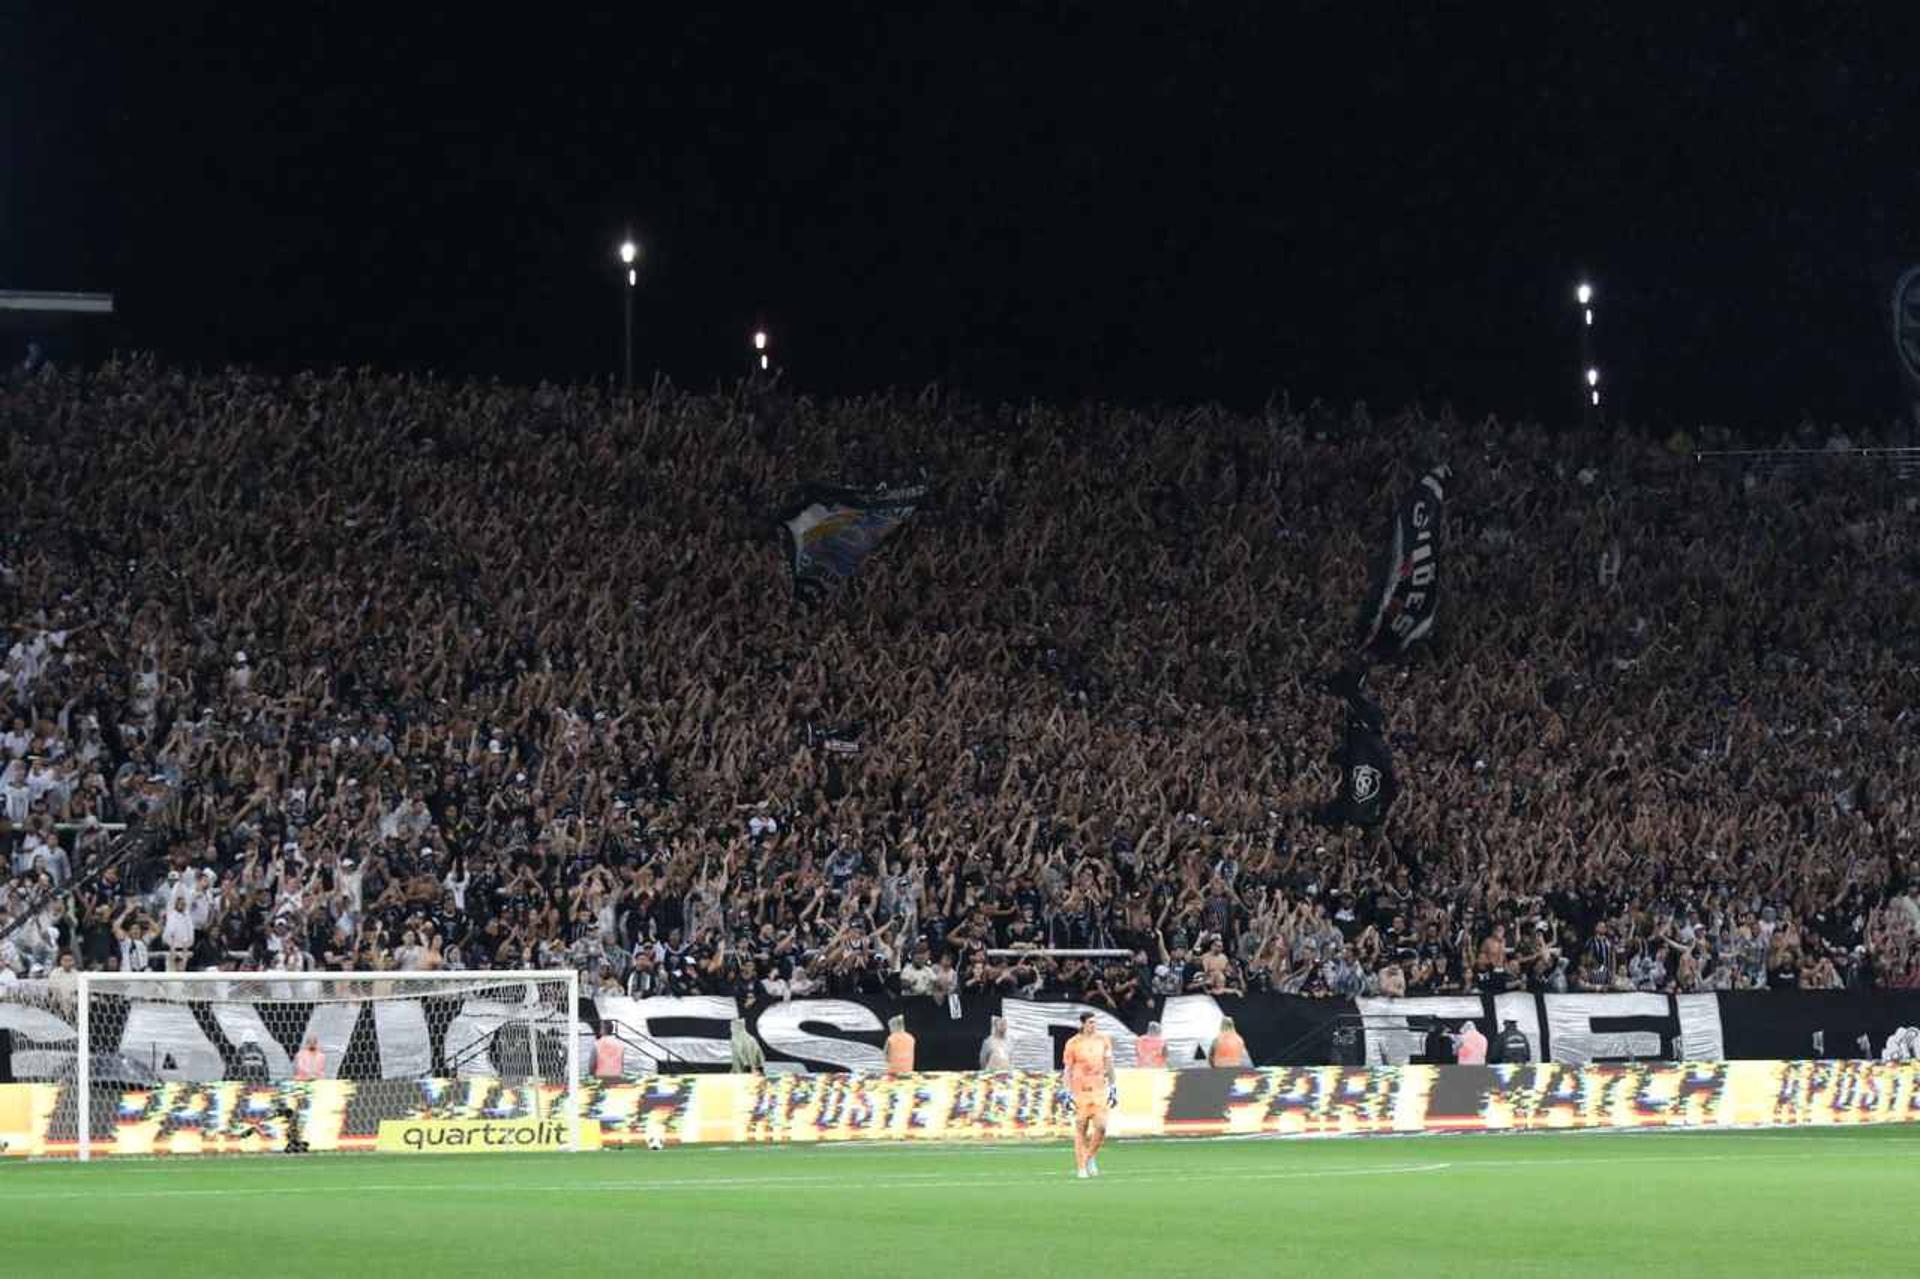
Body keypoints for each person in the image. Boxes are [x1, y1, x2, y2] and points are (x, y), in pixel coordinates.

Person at [1062, 1010, 1113, 1179]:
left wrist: (1113, 1087)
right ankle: (1081, 1167)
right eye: (1090, 1022)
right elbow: (1068, 1069)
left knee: (1101, 1126)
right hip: (1080, 1090)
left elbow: (1109, 1064)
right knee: (1081, 1128)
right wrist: (1067, 1091)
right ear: (1083, 1024)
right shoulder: (1073, 1043)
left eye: (1094, 1022)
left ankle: (1089, 1156)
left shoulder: (1103, 1040)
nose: (1093, 1025)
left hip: (1099, 1089)